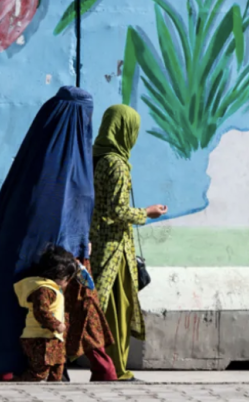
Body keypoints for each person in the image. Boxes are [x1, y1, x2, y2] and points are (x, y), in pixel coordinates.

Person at [0, 86, 118, 382]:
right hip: (41, 258)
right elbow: (43, 210)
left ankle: (89, 367)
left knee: (73, 310)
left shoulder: (56, 158)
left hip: (62, 259)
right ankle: (9, 365)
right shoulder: (49, 165)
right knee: (26, 308)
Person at [90, 104, 168, 381]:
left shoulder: (94, 157)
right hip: (114, 247)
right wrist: (148, 212)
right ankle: (115, 368)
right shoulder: (117, 164)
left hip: (95, 242)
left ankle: (102, 366)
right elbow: (118, 211)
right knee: (118, 310)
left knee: (96, 305)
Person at [13, 244, 80, 382]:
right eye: (67, 278)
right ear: (60, 275)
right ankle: (14, 386)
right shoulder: (44, 290)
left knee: (57, 370)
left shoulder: (53, 289)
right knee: (39, 372)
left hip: (53, 339)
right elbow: (41, 312)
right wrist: (56, 325)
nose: (68, 282)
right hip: (40, 339)